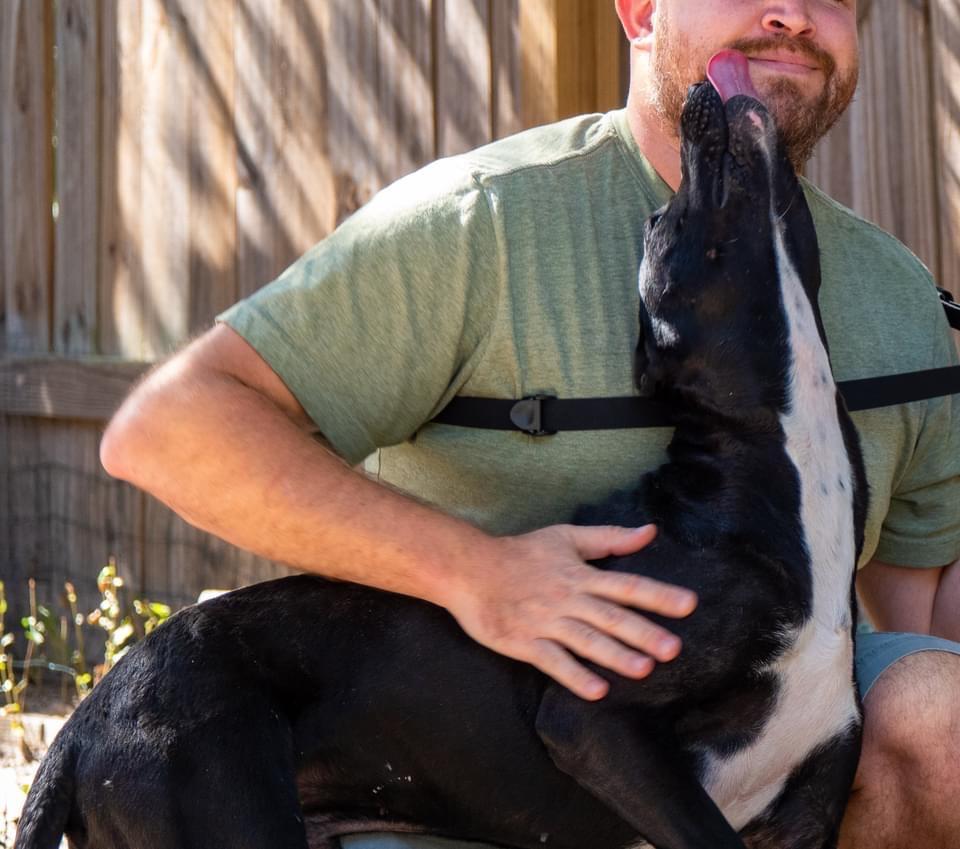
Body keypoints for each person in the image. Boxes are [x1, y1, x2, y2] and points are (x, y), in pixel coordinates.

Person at [100, 1, 960, 847]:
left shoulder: (898, 297)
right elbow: (172, 430)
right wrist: (480, 572)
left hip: (738, 731)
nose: (792, 15)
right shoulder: (483, 225)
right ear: (639, 13)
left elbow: (919, 611)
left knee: (938, 715)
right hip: (461, 762)